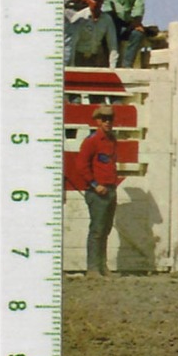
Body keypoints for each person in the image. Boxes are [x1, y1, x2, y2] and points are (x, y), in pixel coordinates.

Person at [78, 104, 119, 277]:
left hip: (110, 190)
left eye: (110, 118)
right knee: (97, 230)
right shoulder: (92, 140)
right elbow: (81, 165)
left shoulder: (111, 140)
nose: (107, 122)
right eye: (104, 119)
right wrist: (95, 184)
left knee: (105, 230)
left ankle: (102, 267)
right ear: (97, 121)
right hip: (97, 192)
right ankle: (93, 268)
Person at [67, 0, 118, 68]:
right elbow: (72, 44)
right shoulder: (80, 17)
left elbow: (112, 45)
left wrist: (113, 67)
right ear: (88, 0)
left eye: (99, 0)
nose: (96, 3)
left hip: (96, 59)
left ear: (102, 1)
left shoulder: (107, 20)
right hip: (79, 58)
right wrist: (71, 66)